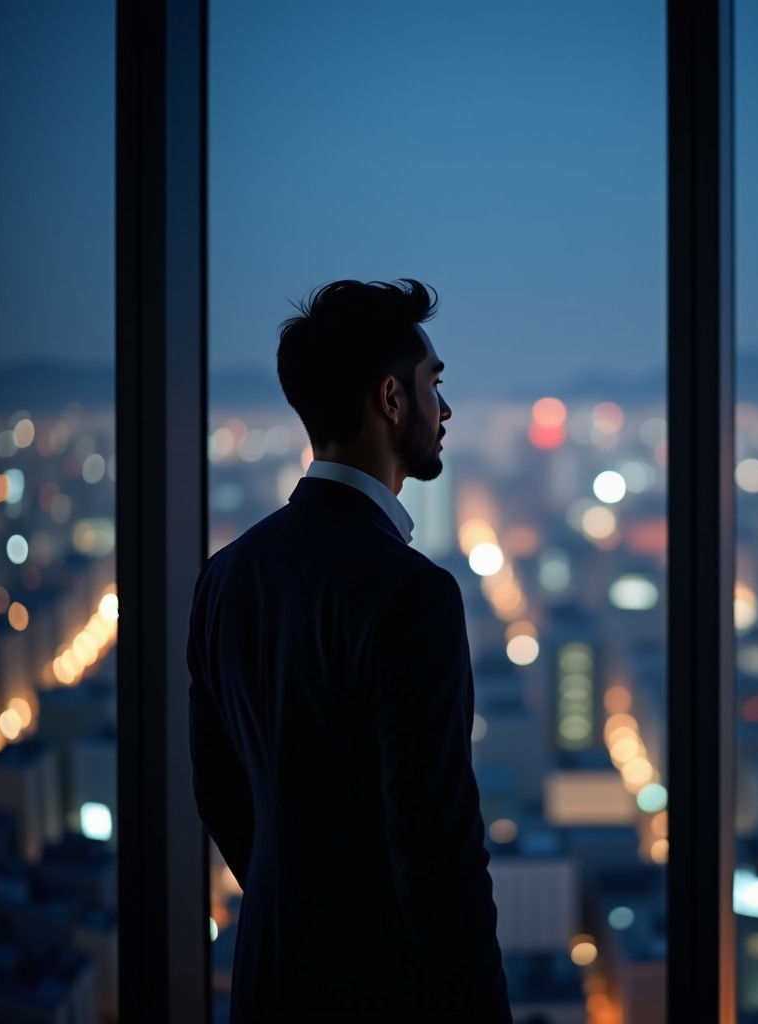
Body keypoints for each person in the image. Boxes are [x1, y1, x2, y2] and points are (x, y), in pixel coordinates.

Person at [187, 279, 513, 1022]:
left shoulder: (227, 575)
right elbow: (438, 857)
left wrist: (300, 906)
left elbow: (220, 791)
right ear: (392, 400)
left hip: (265, 981)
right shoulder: (412, 595)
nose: (446, 408)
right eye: (434, 384)